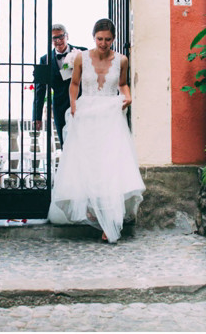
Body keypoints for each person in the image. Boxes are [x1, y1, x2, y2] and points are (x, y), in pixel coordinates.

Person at [48, 18, 145, 243]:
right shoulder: (81, 57)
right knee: (88, 164)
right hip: (87, 115)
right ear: (94, 37)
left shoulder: (122, 59)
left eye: (108, 39)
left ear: (113, 39)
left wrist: (127, 96)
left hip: (111, 116)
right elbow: (74, 83)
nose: (103, 43)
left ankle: (109, 221)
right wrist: (73, 103)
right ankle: (92, 209)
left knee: (110, 166)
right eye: (100, 39)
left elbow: (122, 84)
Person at [33, 24, 86, 146]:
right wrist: (37, 116)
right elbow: (39, 91)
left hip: (82, 102)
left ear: (67, 36)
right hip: (59, 107)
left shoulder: (82, 52)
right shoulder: (44, 60)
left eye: (61, 37)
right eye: (54, 38)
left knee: (84, 141)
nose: (58, 41)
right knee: (65, 142)